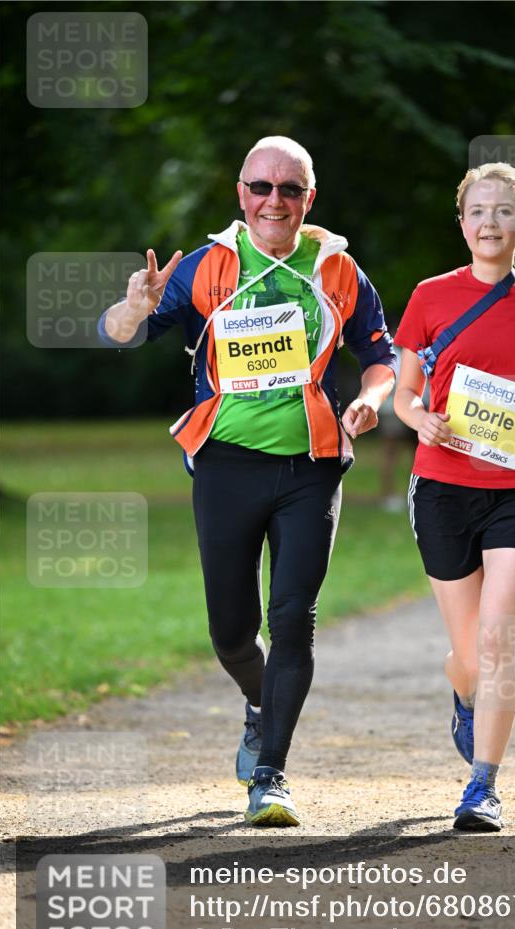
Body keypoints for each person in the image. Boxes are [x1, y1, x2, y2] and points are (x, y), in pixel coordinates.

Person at [99, 136, 396, 826]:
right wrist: (134, 308)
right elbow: (120, 333)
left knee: (292, 618)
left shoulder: (336, 269)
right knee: (232, 633)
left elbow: (379, 354)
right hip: (226, 464)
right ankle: (258, 705)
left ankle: (272, 778)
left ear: (307, 200)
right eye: (260, 187)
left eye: (289, 189)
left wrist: (370, 400)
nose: (273, 201)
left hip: (311, 467)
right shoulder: (206, 268)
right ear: (241, 194)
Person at [393, 162, 515, 832]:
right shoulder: (430, 296)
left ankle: (482, 787)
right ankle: (461, 689)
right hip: (443, 484)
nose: (489, 223)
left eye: (504, 211)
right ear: (462, 221)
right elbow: (404, 392)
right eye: (478, 211)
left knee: (498, 639)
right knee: (470, 654)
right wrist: (420, 419)